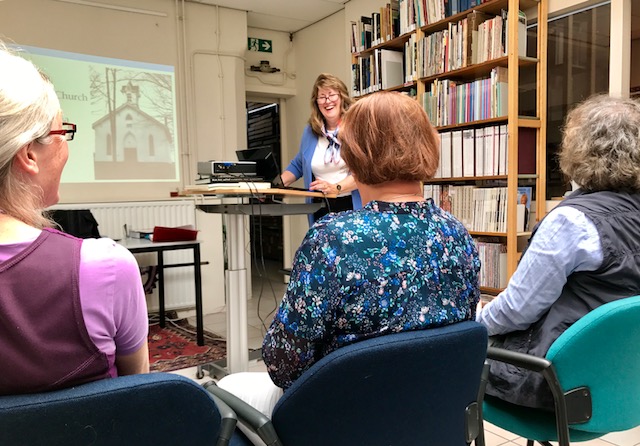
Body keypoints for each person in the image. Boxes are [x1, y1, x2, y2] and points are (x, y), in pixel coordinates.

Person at [218, 91, 480, 443]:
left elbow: (282, 364)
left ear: (353, 156)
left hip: (342, 423)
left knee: (225, 390)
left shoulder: (333, 241)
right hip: (430, 419)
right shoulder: (458, 234)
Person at [0, 43, 149, 395]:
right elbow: (142, 392)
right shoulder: (106, 268)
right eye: (60, 133)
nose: (66, 145)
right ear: (28, 155)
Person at [476, 94, 640, 410]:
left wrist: (475, 321)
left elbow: (517, 310)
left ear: (578, 149)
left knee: (454, 355)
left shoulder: (571, 221)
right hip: (622, 389)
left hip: (557, 388)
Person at [280, 73, 362, 224]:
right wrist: (276, 184)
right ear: (316, 103)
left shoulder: (356, 129)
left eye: (332, 95)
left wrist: (334, 188)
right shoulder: (311, 131)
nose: (327, 101)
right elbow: (299, 164)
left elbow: (364, 173)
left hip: (351, 205)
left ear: (342, 97)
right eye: (322, 97)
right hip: (320, 207)